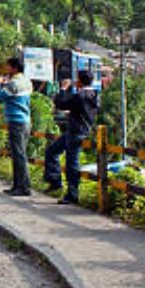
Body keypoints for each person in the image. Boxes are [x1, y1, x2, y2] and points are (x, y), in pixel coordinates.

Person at [47, 70, 99, 205]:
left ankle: (72, 194)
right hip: (82, 130)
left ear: (80, 81)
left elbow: (60, 103)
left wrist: (63, 89)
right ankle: (55, 182)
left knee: (72, 163)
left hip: (76, 131)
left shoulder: (80, 95)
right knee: (52, 151)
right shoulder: (95, 94)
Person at [0, 57, 34, 197]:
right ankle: (17, 185)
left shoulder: (14, 83)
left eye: (8, 67)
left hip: (16, 121)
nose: (6, 69)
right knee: (18, 154)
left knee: (19, 155)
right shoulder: (26, 81)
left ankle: (24, 187)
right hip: (25, 120)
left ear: (14, 68)